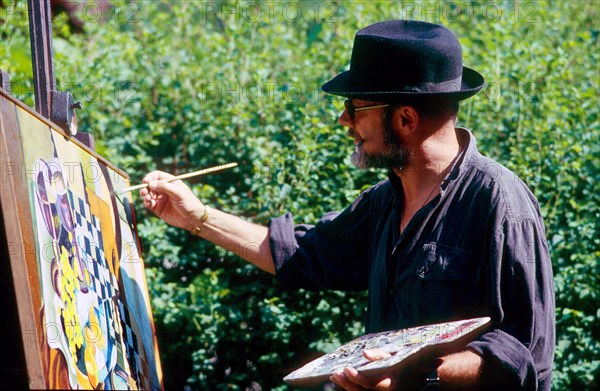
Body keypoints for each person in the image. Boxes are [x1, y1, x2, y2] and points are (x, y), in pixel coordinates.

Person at [141, 20, 555, 390]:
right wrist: (197, 217)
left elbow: (524, 355)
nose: (344, 120)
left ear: (406, 119)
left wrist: (415, 372)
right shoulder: (384, 201)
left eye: (355, 108)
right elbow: (301, 255)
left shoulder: (500, 202)